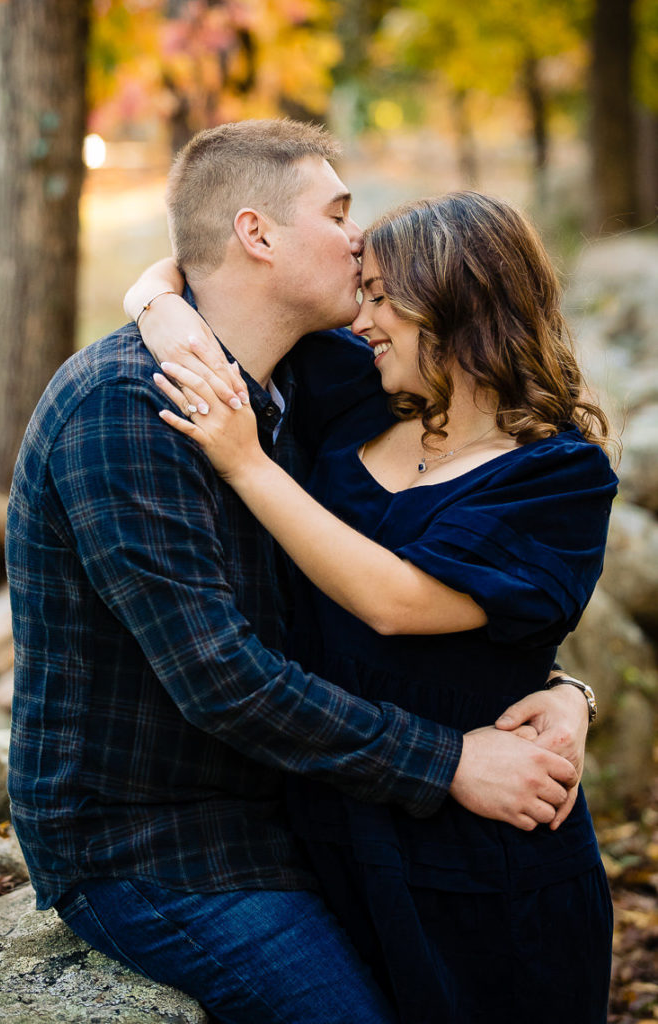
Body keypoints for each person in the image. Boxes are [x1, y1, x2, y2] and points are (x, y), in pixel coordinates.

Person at [7, 119, 588, 1024]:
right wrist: (448, 762)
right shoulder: (133, 411)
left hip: (286, 810)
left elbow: (474, 536)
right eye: (339, 211)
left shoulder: (293, 385)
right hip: (152, 844)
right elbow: (221, 679)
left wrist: (563, 690)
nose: (360, 239)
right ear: (256, 234)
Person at [148, 191, 617, 1023]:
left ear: (453, 297)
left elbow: (396, 604)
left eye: (377, 294)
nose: (359, 317)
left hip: (484, 865)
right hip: (333, 836)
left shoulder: (559, 478)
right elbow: (192, 285)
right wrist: (155, 306)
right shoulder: (363, 392)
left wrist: (246, 464)